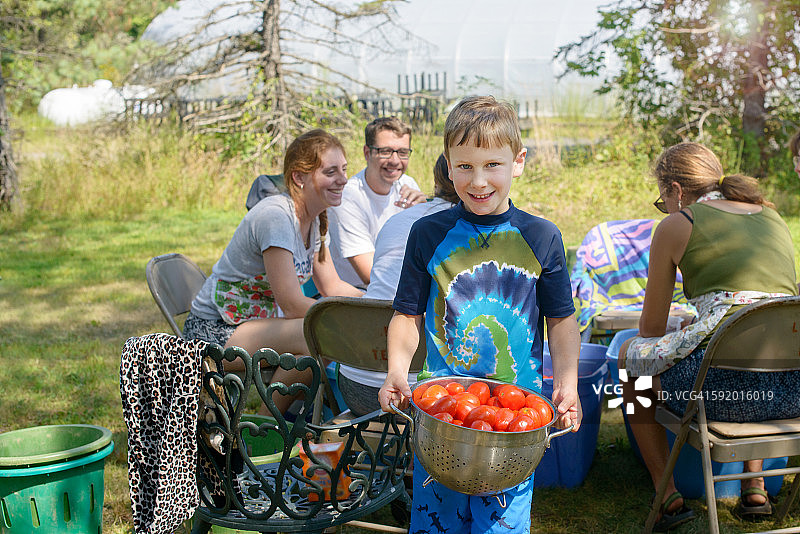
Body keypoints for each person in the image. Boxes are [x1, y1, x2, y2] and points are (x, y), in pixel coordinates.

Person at [378, 96, 582, 534]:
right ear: (448, 166)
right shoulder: (428, 233)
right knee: (437, 521)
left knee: (500, 526)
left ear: (518, 162)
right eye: (465, 166)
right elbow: (406, 314)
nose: (479, 180)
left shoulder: (542, 237)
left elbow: (562, 320)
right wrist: (397, 370)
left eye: (493, 164)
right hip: (442, 410)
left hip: (516, 414)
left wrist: (566, 384)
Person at [617, 142, 800, 530]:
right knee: (754, 354)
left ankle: (666, 496)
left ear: (675, 190)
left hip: (721, 396)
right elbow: (768, 311)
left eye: (661, 198)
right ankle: (754, 486)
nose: (664, 207)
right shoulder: (774, 218)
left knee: (630, 368)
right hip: (789, 393)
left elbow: (650, 330)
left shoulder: (679, 223)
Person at [183, 129, 363, 412]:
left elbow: (333, 287)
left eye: (344, 169)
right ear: (299, 177)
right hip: (212, 334)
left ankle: (297, 422)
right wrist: (345, 322)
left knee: (322, 337)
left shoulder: (314, 219)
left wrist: (376, 304)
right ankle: (267, 429)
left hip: (253, 325)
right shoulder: (277, 216)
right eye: (331, 172)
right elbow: (291, 303)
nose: (343, 179)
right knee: (316, 336)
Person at [337, 154, 459, 416]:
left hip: (354, 380)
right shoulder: (463, 230)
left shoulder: (398, 220)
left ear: (436, 182)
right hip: (419, 391)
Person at [328, 116, 427, 288]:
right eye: (386, 151)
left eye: (403, 152)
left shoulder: (408, 185)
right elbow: (369, 274)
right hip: (361, 297)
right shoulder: (348, 198)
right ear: (367, 153)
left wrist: (427, 214)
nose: (395, 161)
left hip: (400, 287)